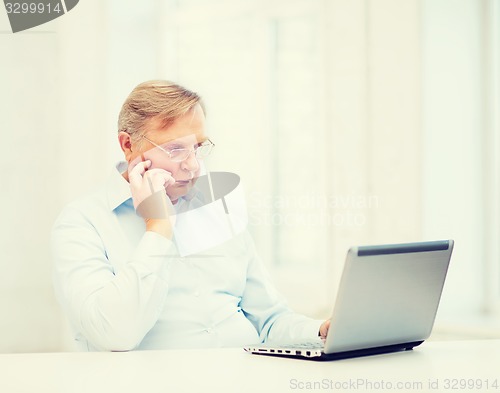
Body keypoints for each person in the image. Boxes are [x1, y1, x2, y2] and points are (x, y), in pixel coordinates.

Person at [51, 80, 330, 351]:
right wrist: (158, 226)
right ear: (128, 144)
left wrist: (321, 331)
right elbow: (114, 335)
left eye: (197, 147)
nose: (193, 166)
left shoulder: (218, 212)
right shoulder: (81, 222)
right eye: (175, 149)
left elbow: (269, 321)